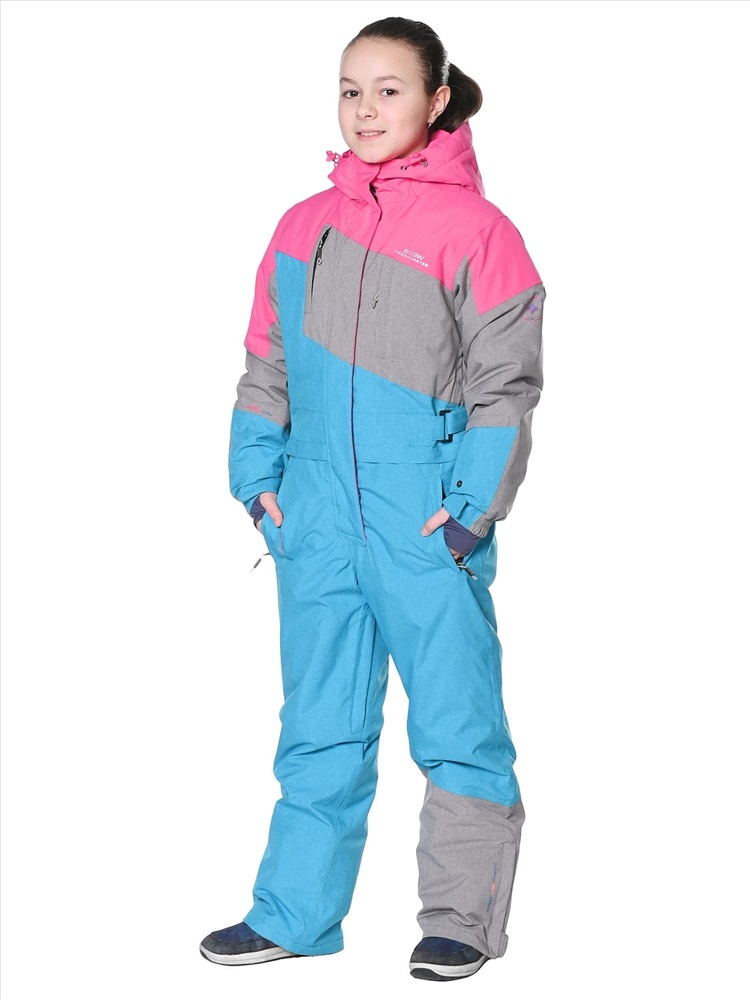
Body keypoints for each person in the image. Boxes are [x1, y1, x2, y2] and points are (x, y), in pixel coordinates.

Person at [200, 15, 545, 983]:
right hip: (315, 518)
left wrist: (469, 508)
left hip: (425, 519)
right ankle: (295, 914)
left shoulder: (481, 233)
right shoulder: (300, 227)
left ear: (438, 100)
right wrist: (258, 482)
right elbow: (266, 361)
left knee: (458, 726)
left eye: (389, 90)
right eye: (350, 90)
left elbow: (506, 386)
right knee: (318, 726)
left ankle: (460, 922)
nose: (365, 109)